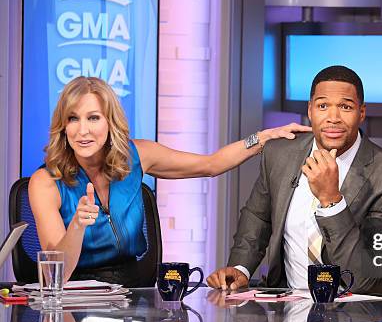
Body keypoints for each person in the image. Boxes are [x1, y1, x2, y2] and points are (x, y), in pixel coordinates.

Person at [207, 65, 382, 322]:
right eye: (323, 105)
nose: (334, 117)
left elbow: (365, 279)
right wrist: (241, 268)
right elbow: (257, 217)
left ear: (362, 113)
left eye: (346, 107)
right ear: (310, 110)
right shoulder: (280, 155)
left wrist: (331, 201)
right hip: (284, 315)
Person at [28, 76, 311, 285]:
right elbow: (56, 274)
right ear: (63, 126)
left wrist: (262, 138)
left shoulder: (137, 155)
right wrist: (77, 226)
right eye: (73, 119)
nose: (83, 131)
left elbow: (210, 164)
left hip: (132, 293)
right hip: (75, 296)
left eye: (93, 118)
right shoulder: (45, 182)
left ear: (109, 122)